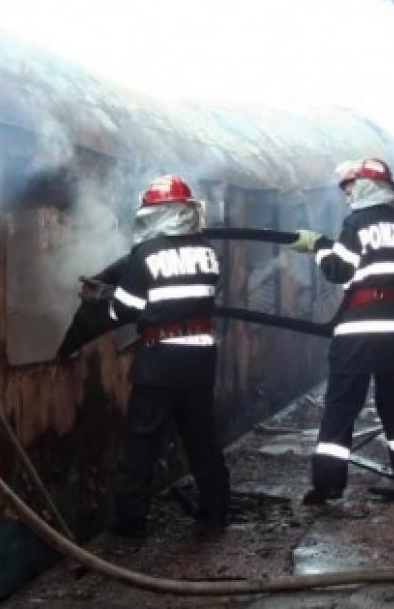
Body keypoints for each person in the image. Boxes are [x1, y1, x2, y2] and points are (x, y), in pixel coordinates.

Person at [290, 157, 394, 505]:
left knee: (342, 403)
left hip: (362, 327)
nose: (347, 193)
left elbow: (338, 270)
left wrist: (319, 246)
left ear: (365, 187)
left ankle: (328, 484)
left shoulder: (357, 223)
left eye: (351, 186)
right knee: (393, 398)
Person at [107, 174, 229, 537]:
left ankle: (131, 521)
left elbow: (124, 310)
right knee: (202, 437)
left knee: (143, 440)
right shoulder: (208, 252)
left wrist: (105, 299)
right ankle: (215, 512)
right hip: (201, 358)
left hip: (160, 359)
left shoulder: (146, 253)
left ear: (157, 214)